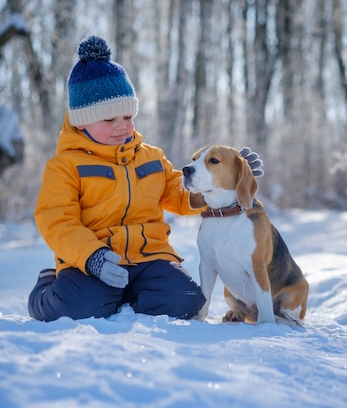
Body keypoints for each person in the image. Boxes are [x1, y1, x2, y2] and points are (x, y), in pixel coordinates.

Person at [28, 36, 262, 322]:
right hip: (92, 261)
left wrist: (226, 178)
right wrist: (92, 256)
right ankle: (47, 286)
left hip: (149, 257)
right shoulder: (65, 166)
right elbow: (56, 221)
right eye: (109, 120)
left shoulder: (150, 157)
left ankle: (126, 298)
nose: (122, 126)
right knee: (79, 308)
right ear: (81, 121)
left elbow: (179, 194)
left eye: (128, 116)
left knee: (187, 303)